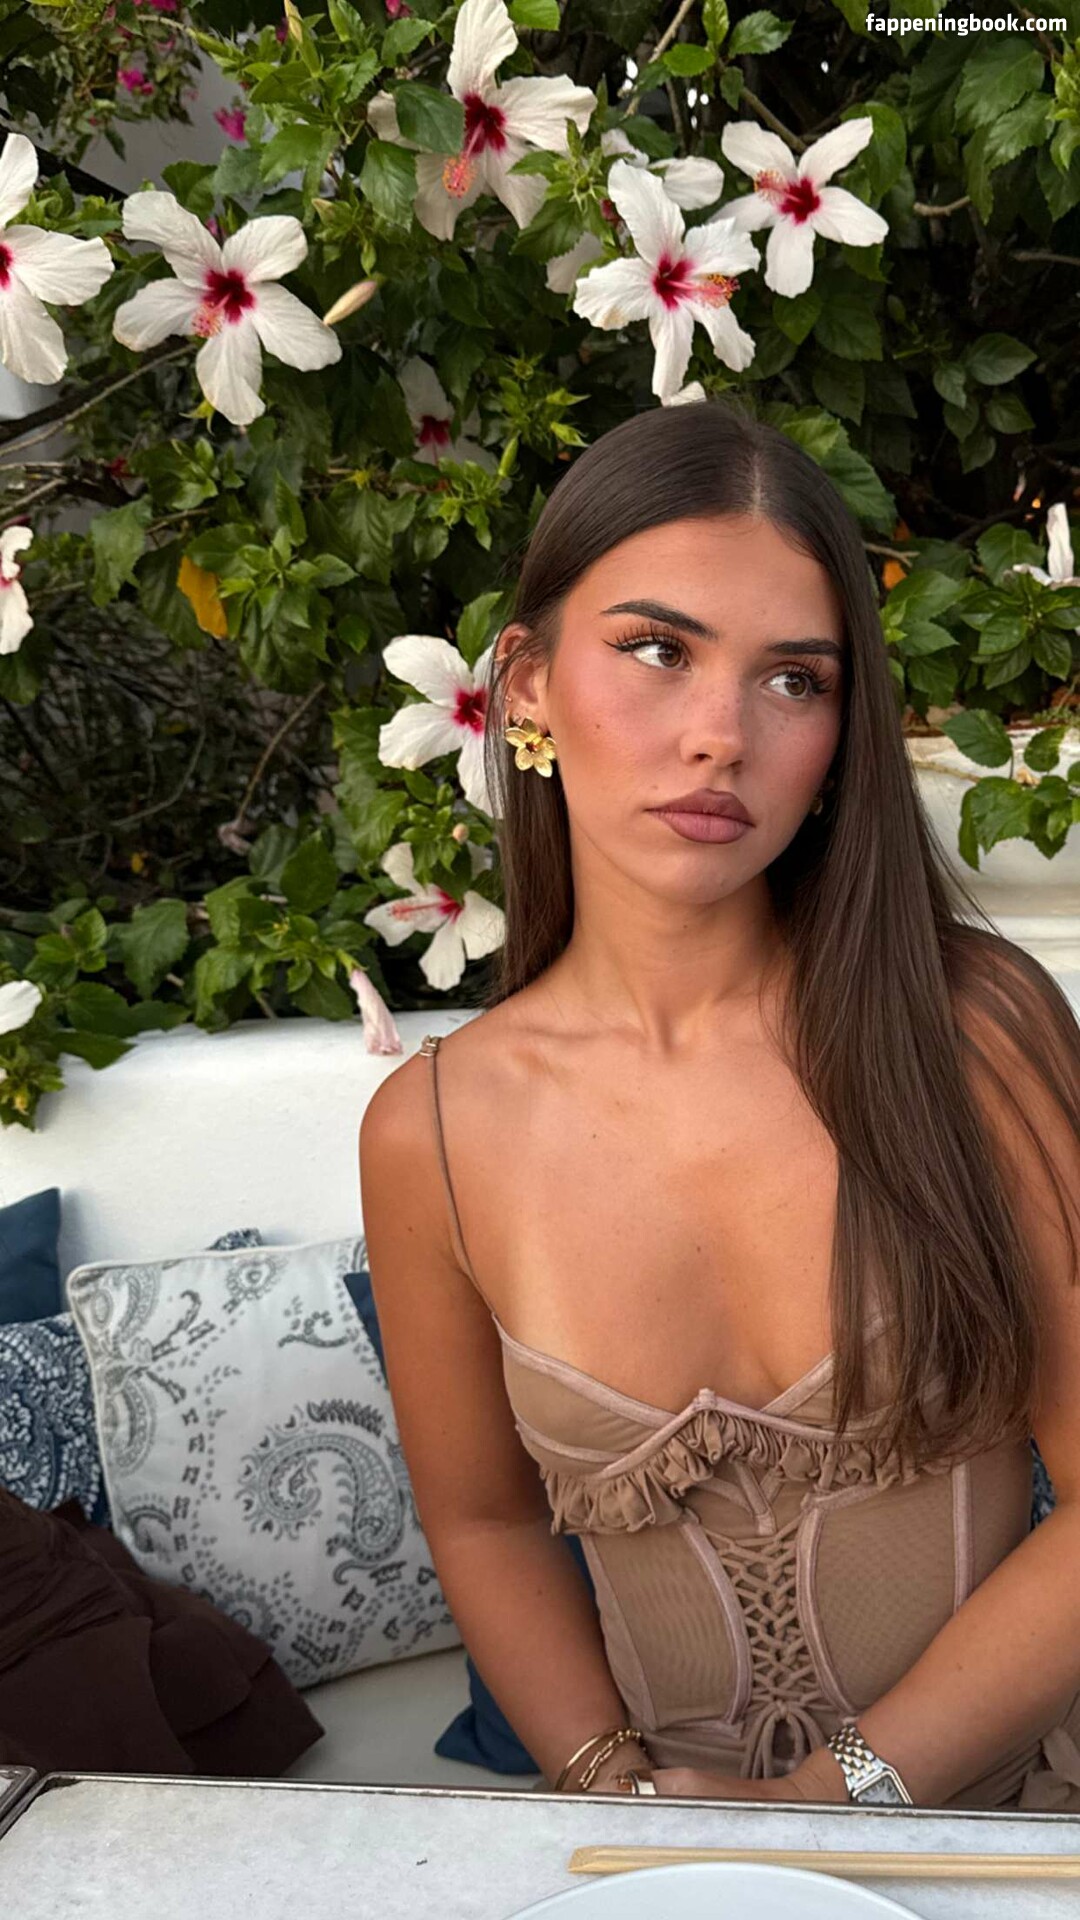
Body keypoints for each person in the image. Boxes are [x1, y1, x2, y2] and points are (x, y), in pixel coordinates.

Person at [359, 399, 1080, 1810]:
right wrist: (618, 1795)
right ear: (525, 686)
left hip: (1006, 1837)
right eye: (656, 649)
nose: (720, 736)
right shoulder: (433, 1133)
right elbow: (485, 1521)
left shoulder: (969, 1032)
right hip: (661, 1863)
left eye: (794, 680)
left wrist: (828, 1804)